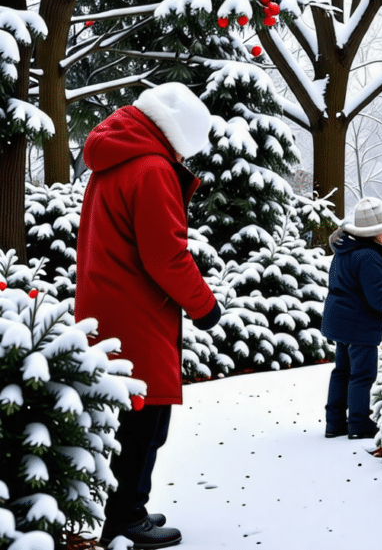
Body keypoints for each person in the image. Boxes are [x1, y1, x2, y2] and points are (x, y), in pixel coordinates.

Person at [75, 82, 222, 549]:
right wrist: (205, 306)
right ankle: (126, 518)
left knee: (127, 421)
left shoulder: (112, 160)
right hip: (138, 312)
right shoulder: (152, 168)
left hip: (107, 306)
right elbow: (167, 257)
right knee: (145, 421)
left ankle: (124, 507)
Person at [321, 197, 382, 440]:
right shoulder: (369, 256)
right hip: (358, 324)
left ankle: (335, 423)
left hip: (339, 320)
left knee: (342, 371)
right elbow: (379, 299)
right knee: (361, 374)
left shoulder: (344, 251)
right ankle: (359, 424)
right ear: (376, 232)